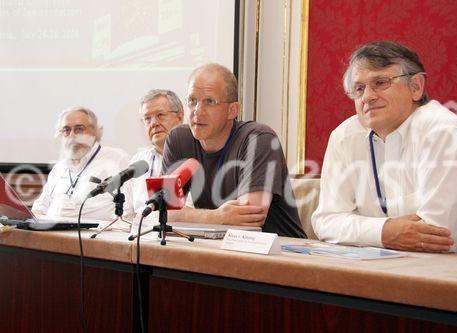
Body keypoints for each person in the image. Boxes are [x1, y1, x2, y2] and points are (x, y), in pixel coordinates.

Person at [311, 41, 457, 254]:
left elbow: (439, 236)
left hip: (453, 277)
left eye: (380, 82)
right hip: (377, 273)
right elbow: (326, 221)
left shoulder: (444, 132)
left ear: (416, 87)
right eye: (359, 89)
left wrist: (359, 230)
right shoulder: (344, 137)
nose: (367, 97)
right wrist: (385, 232)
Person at [161, 63, 306, 238]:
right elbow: (163, 210)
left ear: (232, 110)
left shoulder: (259, 139)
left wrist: (188, 216)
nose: (197, 111)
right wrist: (218, 217)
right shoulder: (179, 139)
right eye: (192, 101)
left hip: (280, 253)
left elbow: (249, 219)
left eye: (209, 101)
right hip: (218, 250)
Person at [32, 107, 132, 220]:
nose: (72, 135)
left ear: (95, 131)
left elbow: (128, 211)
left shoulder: (117, 159)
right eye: (66, 130)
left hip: (95, 235)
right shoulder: (59, 168)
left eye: (79, 129)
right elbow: (39, 209)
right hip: (52, 234)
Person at [129, 89, 184, 215]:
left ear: (180, 117)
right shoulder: (138, 161)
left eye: (160, 115)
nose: (153, 123)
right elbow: (127, 213)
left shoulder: (197, 156)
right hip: (140, 232)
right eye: (147, 119)